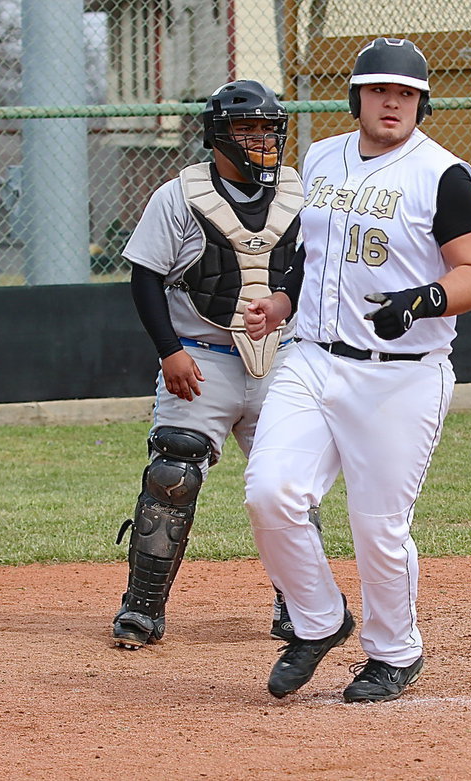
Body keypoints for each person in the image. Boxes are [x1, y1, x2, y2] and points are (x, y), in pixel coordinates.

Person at [243, 38, 471, 702]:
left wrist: (423, 300)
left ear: (421, 104)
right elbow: (311, 253)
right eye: (380, 90)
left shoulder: (442, 175)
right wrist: (282, 302)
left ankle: (394, 652)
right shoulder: (321, 156)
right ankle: (320, 620)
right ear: (357, 97)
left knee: (377, 525)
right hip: (312, 357)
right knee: (270, 492)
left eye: (406, 93)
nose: (393, 102)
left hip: (400, 375)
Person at [111, 79, 316, 650]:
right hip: (201, 356)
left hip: (283, 356)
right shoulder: (179, 195)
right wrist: (169, 350)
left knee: (290, 485)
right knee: (172, 476)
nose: (261, 141)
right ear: (218, 136)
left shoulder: (302, 193)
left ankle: (302, 606)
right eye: (247, 129)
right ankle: (142, 608)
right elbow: (145, 278)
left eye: (269, 129)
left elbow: (313, 270)